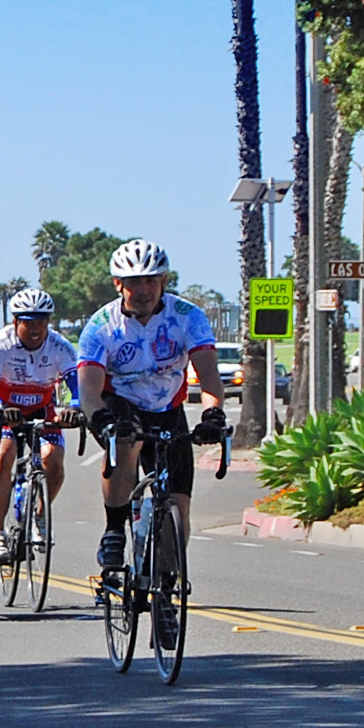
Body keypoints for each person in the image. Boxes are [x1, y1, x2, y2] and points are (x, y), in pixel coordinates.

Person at [75, 239, 227, 575]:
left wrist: (212, 413)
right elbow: (88, 389)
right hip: (118, 403)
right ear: (118, 285)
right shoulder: (101, 326)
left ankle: (168, 588)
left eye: (151, 280)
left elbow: (208, 376)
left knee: (179, 505)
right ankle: (115, 529)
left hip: (166, 408)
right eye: (134, 283)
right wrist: (101, 419)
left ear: (163, 282)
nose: (143, 290)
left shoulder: (188, 317)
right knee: (127, 441)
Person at [0, 287, 77, 562]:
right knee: (5, 453)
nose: (36, 328)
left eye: (42, 321)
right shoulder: (0, 345)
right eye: (29, 322)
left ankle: (40, 516)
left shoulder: (60, 346)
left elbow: (77, 383)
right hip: (5, 410)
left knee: (53, 460)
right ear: (16, 321)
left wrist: (75, 407)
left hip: (42, 409)